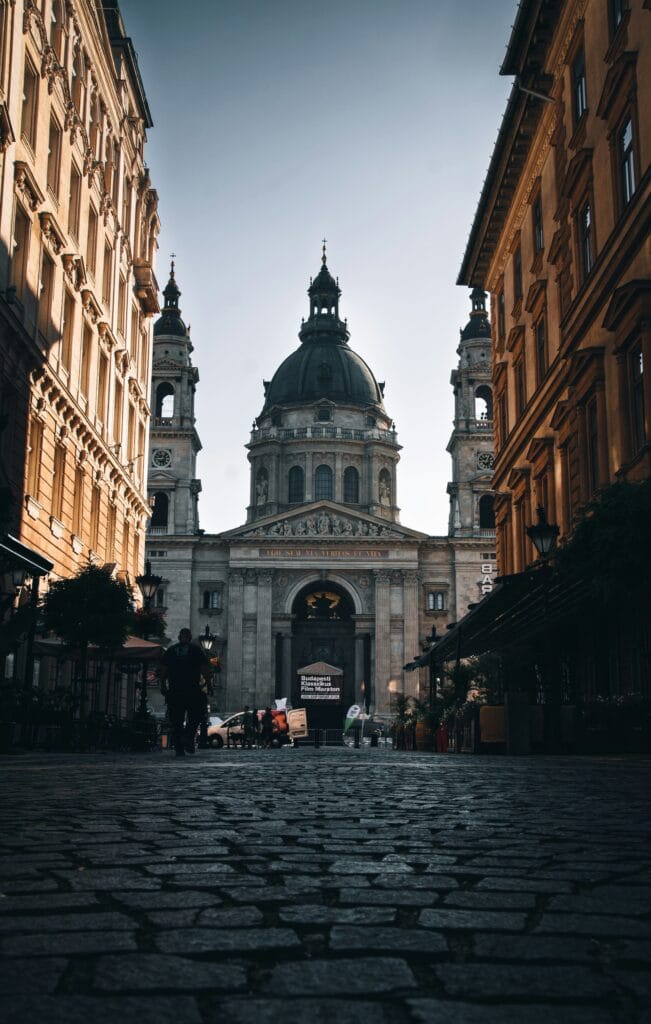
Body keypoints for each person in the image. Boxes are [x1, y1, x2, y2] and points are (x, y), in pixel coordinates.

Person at [160, 628, 211, 758]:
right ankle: (188, 736)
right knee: (196, 714)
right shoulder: (195, 650)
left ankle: (179, 748)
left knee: (176, 720)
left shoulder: (171, 650)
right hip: (191, 689)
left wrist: (163, 685)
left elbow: (164, 670)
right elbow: (204, 669)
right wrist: (209, 684)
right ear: (189, 637)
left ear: (178, 637)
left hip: (175, 689)